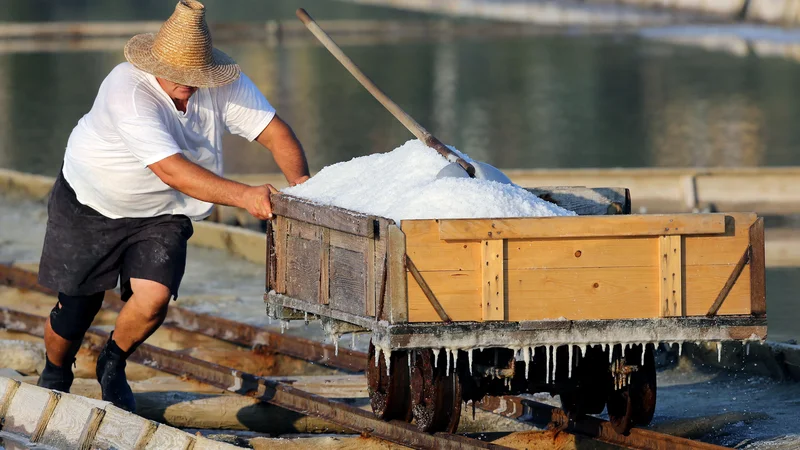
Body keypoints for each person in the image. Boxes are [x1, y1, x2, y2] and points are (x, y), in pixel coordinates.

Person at [35, 0, 309, 412]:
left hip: (164, 212)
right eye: (179, 76)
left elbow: (275, 133)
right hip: (93, 201)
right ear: (154, 64)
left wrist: (302, 186)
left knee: (155, 298)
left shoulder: (221, 83)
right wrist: (246, 195)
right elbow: (173, 170)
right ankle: (56, 370)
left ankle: (113, 360)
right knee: (76, 309)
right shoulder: (125, 90)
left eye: (197, 76)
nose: (189, 84)